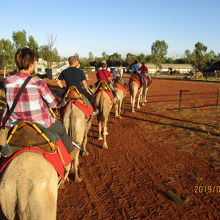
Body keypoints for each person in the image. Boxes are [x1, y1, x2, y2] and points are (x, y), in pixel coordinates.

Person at [0, 47, 77, 158]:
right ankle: (71, 152)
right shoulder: (38, 83)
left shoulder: (7, 81)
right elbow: (52, 103)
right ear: (31, 63)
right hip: (40, 122)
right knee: (61, 130)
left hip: (14, 123)